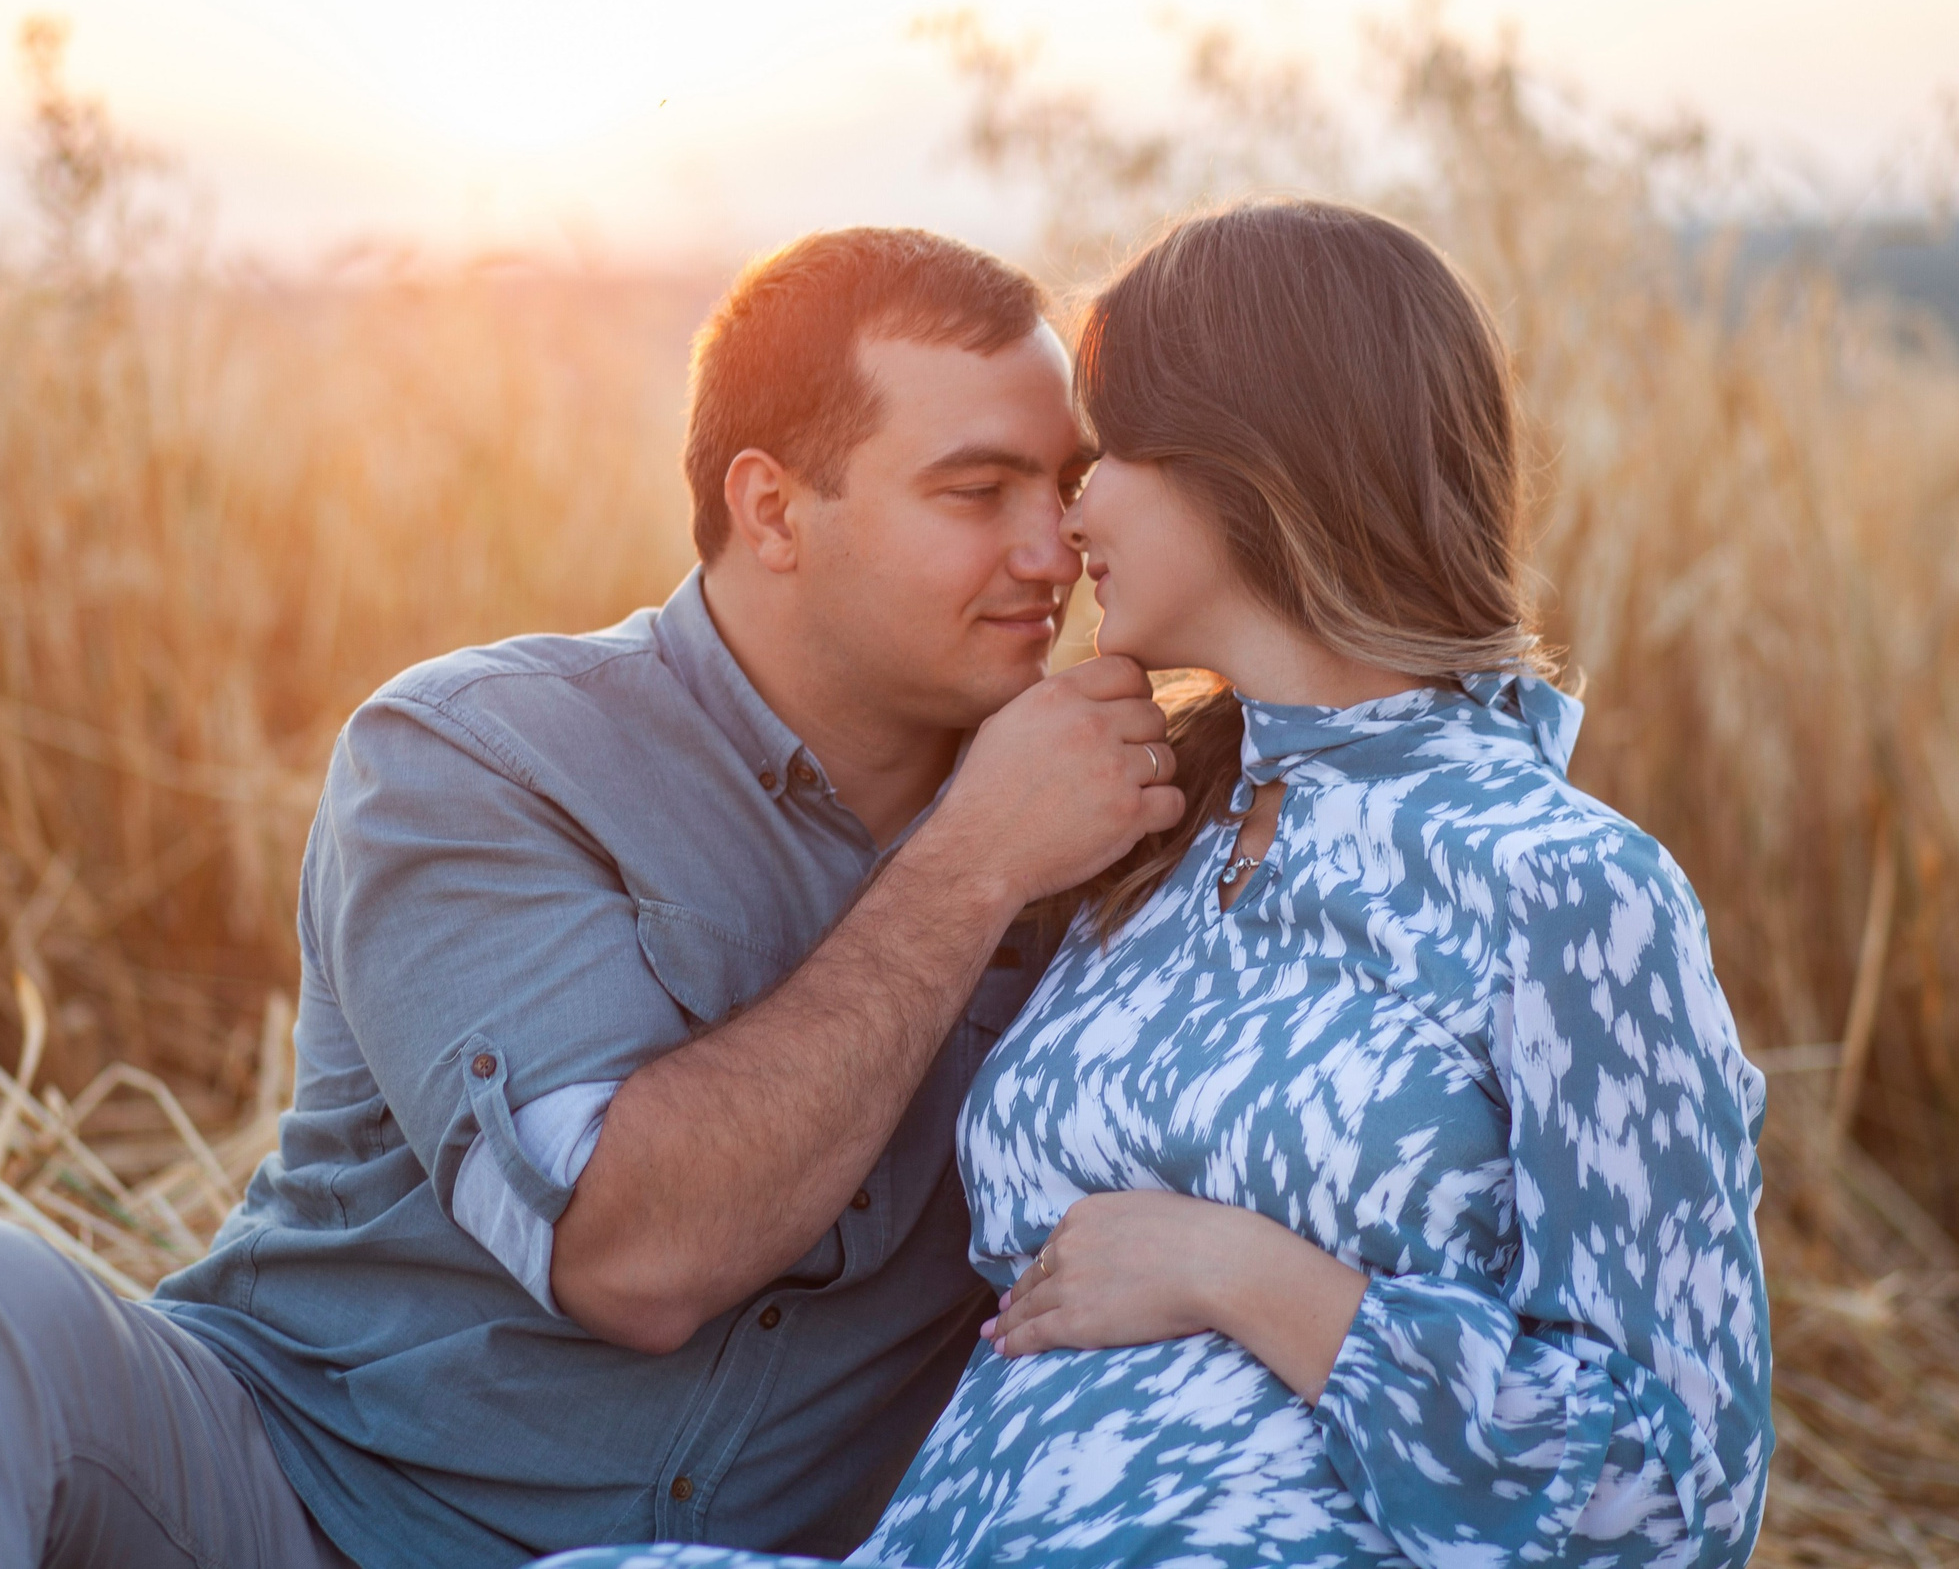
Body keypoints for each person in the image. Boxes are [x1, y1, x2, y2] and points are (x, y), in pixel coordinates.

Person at [0, 229, 1188, 1569]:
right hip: (280, 1501)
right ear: (774, 509)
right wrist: (970, 867)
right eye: (975, 491)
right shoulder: (479, 756)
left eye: (1062, 491)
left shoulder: (1112, 824)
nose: (1052, 555)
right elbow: (630, 1255)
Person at [540, 198, 1774, 1569]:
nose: (1066, 519)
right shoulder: (1134, 833)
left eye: (1104, 452)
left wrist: (1243, 1276)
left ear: (1253, 469)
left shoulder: (1570, 891)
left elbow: (1678, 1496)